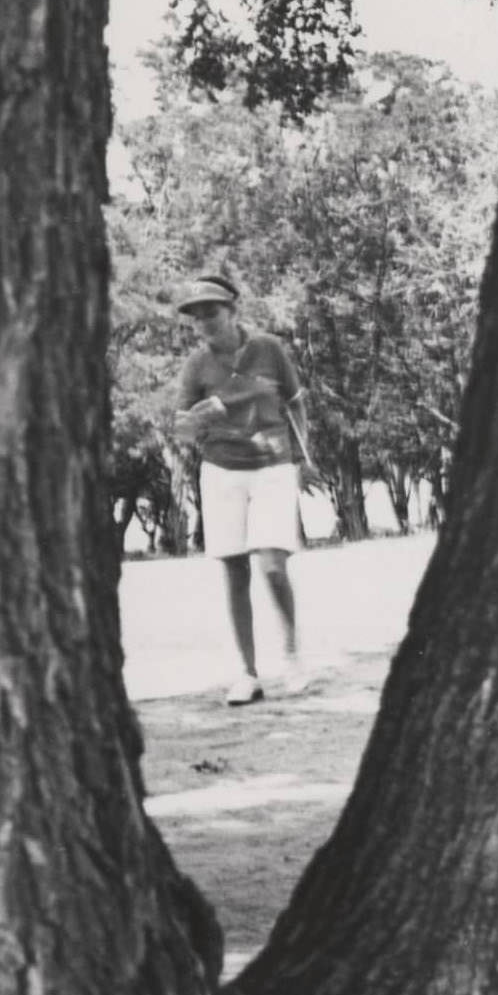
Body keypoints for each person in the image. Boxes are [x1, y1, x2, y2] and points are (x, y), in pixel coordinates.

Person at [173, 272, 318, 705]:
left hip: (272, 464)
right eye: (196, 317)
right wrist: (198, 420)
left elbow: (294, 402)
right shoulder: (196, 366)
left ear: (233, 310)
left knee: (272, 563)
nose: (204, 323)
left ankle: (292, 659)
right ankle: (247, 673)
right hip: (221, 469)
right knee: (234, 570)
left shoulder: (269, 349)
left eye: (211, 312)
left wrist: (305, 456)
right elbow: (181, 427)